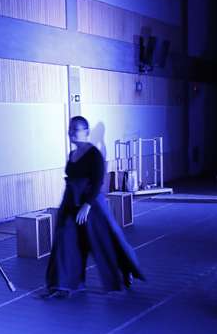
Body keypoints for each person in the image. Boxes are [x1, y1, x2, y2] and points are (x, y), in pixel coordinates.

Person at [45, 116, 144, 298]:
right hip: (71, 202)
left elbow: (98, 181)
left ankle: (124, 270)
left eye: (75, 129)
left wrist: (87, 205)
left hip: (92, 203)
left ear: (86, 132)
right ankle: (65, 283)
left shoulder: (94, 154)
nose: (71, 133)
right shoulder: (72, 155)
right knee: (66, 239)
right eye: (70, 129)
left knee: (106, 241)